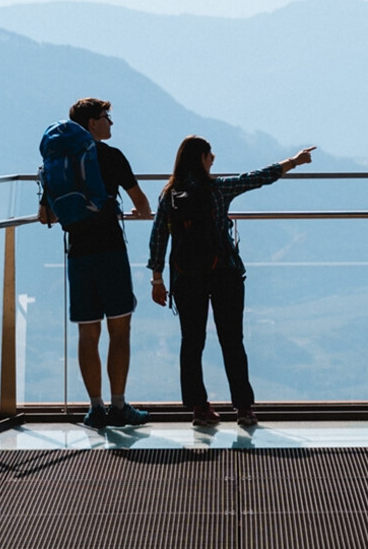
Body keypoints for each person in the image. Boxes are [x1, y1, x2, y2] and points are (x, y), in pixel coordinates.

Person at [147, 136, 315, 426]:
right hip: (223, 272)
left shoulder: (170, 194)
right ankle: (244, 409)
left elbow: (159, 235)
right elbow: (257, 178)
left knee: (191, 342)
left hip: (185, 277)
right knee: (232, 340)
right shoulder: (217, 190)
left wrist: (157, 279)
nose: (214, 158)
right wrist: (294, 162)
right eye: (210, 153)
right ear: (200, 157)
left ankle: (199, 409)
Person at [38, 98, 154, 429]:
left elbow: (46, 214)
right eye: (106, 118)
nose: (111, 124)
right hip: (110, 252)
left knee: (87, 334)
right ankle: (119, 406)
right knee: (120, 329)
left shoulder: (57, 160)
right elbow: (143, 205)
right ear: (91, 124)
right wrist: (135, 212)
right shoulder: (113, 157)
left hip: (77, 254)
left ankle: (95, 408)